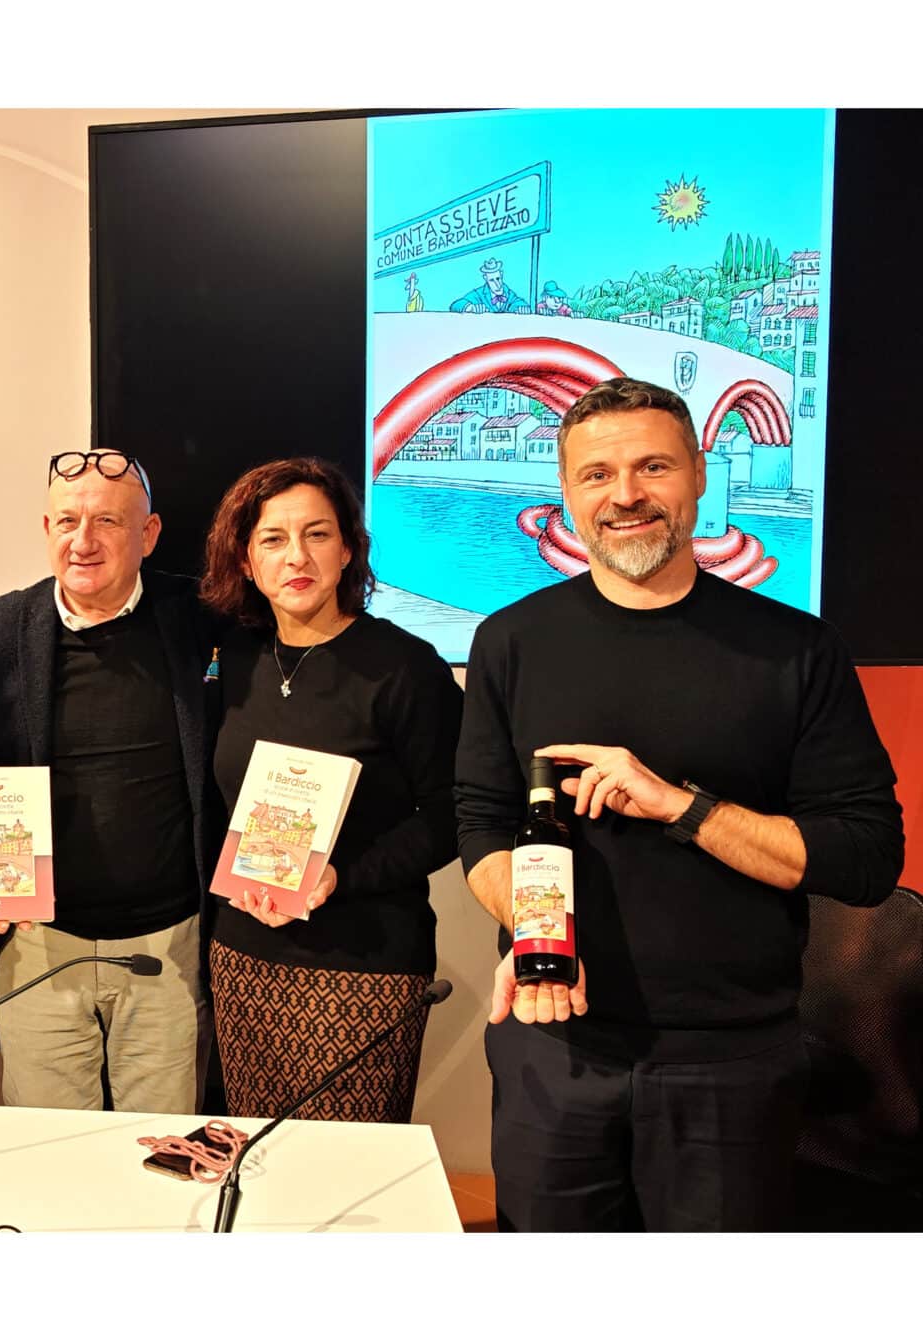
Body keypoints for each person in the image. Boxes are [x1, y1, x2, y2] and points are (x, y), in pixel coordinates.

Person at [455, 376, 903, 1231]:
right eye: (597, 474)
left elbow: (866, 857)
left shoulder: (798, 650)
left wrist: (681, 807)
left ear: (699, 473)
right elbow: (480, 821)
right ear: (566, 492)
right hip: (554, 1045)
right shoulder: (509, 641)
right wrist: (542, 931)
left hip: (732, 1064)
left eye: (652, 466)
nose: (624, 494)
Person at [198, 458, 461, 1122]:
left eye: (317, 534)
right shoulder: (234, 660)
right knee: (251, 1155)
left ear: (348, 548)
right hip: (245, 955)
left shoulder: (405, 668)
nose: (297, 556)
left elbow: (452, 813)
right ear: (247, 561)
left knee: (349, 1165)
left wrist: (343, 876)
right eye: (273, 539)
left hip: (365, 960)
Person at [0, 450, 212, 1113]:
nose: (83, 541)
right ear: (46, 528)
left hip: (169, 945)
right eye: (67, 520)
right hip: (38, 944)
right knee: (48, 1148)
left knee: (160, 1147)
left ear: (149, 533)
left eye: (108, 521)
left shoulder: (202, 619)